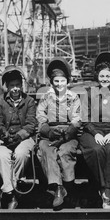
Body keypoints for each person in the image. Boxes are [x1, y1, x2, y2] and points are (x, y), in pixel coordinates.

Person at [79, 51, 110, 209]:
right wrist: (96, 133)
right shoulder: (90, 93)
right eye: (102, 76)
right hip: (93, 130)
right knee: (96, 150)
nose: (104, 79)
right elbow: (85, 118)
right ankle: (106, 191)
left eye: (108, 76)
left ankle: (109, 189)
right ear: (97, 77)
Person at [36, 57, 81, 210]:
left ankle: (69, 186)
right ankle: (57, 188)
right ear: (52, 82)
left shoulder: (73, 98)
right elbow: (40, 118)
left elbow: (76, 120)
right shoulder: (46, 98)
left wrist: (65, 136)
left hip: (68, 134)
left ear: (67, 81)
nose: (59, 85)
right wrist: (49, 132)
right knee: (47, 151)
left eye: (62, 81)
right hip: (50, 134)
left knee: (65, 151)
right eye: (56, 81)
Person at [0, 66, 37, 209]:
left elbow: (31, 124)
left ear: (21, 85)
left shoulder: (29, 101)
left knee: (21, 154)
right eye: (12, 86)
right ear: (7, 87)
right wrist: (3, 134)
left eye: (18, 85)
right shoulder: (0, 101)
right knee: (1, 155)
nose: (15, 89)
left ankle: (9, 191)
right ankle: (11, 193)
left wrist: (19, 136)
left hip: (23, 137)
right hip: (5, 138)